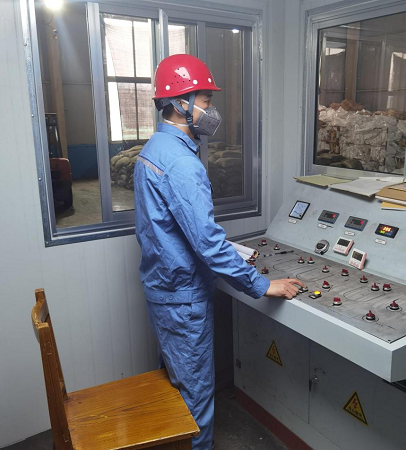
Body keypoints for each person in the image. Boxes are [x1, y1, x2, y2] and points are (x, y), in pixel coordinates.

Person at [133, 54, 303, 450]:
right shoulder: (181, 163)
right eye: (206, 101)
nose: (212, 111)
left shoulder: (153, 149)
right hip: (183, 298)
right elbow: (207, 242)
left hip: (163, 288)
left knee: (177, 383)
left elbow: (170, 230)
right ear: (180, 103)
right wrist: (261, 285)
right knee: (194, 396)